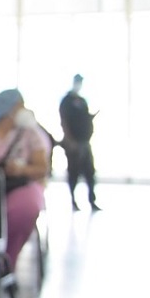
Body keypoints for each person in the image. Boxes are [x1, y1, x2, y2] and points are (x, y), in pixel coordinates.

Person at [0, 90, 50, 289]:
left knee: (25, 208)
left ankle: (8, 263)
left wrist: (22, 169)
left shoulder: (31, 135)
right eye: (20, 106)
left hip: (19, 186)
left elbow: (42, 168)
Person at [59, 74, 99, 211]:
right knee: (74, 172)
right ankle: (73, 201)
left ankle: (91, 201)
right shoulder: (67, 101)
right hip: (73, 143)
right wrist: (69, 140)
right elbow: (64, 121)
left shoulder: (82, 101)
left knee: (90, 172)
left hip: (85, 142)